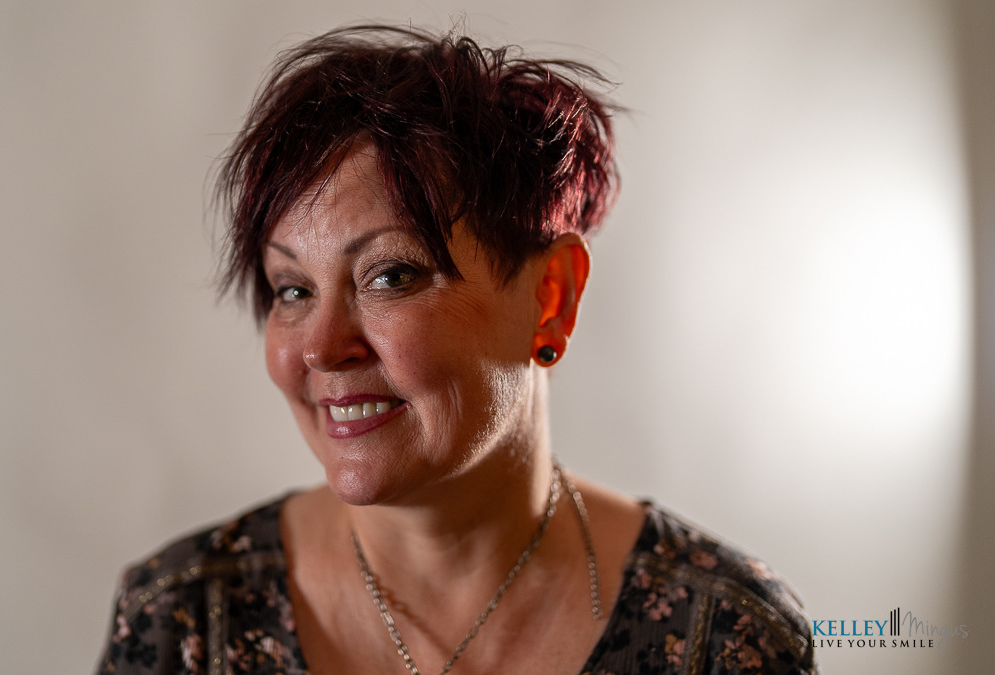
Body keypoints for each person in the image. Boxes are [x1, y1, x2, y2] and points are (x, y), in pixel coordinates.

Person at [94, 25, 816, 675]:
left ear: (551, 297)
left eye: (391, 274)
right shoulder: (178, 624)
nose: (319, 347)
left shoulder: (725, 637)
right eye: (291, 288)